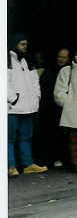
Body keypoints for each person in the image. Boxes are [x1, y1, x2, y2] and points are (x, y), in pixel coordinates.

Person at [8, 33, 46, 177]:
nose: (25, 47)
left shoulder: (27, 61)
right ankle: (10, 166)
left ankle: (28, 164)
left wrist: (36, 97)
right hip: (12, 108)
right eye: (22, 44)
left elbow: (35, 81)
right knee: (9, 139)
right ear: (15, 44)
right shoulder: (7, 60)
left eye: (26, 44)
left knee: (26, 136)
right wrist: (13, 99)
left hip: (28, 107)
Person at [38, 47, 70, 168]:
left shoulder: (70, 71)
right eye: (59, 57)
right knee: (50, 133)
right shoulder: (50, 70)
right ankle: (52, 157)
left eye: (64, 57)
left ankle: (62, 157)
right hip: (50, 107)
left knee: (63, 134)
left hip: (63, 107)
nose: (61, 59)